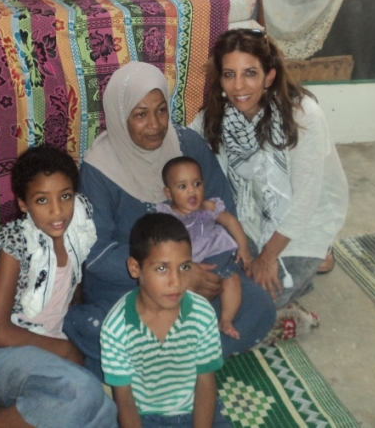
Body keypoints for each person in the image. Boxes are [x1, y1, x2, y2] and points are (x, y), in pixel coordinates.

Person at [63, 62, 275, 377]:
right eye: (140, 114)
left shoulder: (186, 144)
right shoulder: (98, 171)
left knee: (258, 304)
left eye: (161, 110)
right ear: (121, 118)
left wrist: (201, 268)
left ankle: (161, 362)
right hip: (129, 287)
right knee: (123, 327)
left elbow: (219, 204)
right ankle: (183, 358)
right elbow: (96, 255)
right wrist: (174, 274)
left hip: (198, 274)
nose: (155, 125)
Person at [0, 145, 117, 428]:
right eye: (42, 200)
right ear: (23, 204)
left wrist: (77, 338)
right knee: (82, 392)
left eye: (65, 196)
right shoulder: (16, 244)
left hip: (44, 355)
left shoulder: (78, 230)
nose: (57, 211)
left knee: (105, 411)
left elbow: (72, 295)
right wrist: (64, 350)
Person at [191, 28, 348, 313]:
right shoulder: (218, 115)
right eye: (229, 74)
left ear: (270, 76)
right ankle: (304, 273)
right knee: (210, 285)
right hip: (250, 220)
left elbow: (305, 201)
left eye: (250, 73)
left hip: (304, 224)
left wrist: (267, 257)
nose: (238, 86)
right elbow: (183, 145)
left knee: (254, 306)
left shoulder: (304, 117)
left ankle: (316, 254)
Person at [100, 212, 232, 428]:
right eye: (162, 268)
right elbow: (124, 399)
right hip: (147, 418)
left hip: (195, 408)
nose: (176, 281)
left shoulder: (202, 314)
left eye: (184, 267)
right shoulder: (116, 328)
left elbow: (205, 382)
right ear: (135, 268)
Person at [156, 155, 252, 339]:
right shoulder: (168, 217)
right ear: (169, 193)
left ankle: (226, 320)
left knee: (232, 280)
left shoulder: (208, 207)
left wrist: (244, 247)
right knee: (181, 295)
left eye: (197, 184)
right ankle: (180, 330)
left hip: (215, 252)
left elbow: (231, 222)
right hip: (189, 264)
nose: (192, 191)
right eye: (182, 187)